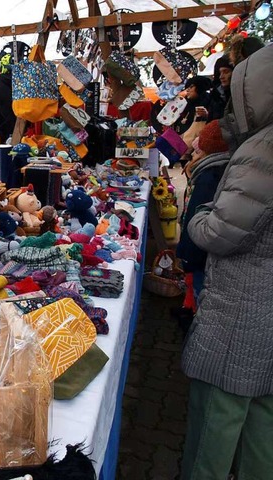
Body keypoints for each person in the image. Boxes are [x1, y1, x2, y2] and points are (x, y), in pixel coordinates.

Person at [180, 44, 273, 479]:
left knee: (219, 415)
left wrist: (197, 216)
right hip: (263, 309)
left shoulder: (262, 151)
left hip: (244, 311)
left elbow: (222, 233)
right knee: (261, 419)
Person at [174, 120, 229, 332]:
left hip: (198, 242)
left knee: (198, 283)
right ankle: (188, 309)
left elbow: (197, 213)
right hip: (197, 239)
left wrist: (186, 250)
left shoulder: (209, 175)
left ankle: (195, 325)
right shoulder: (211, 170)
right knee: (193, 280)